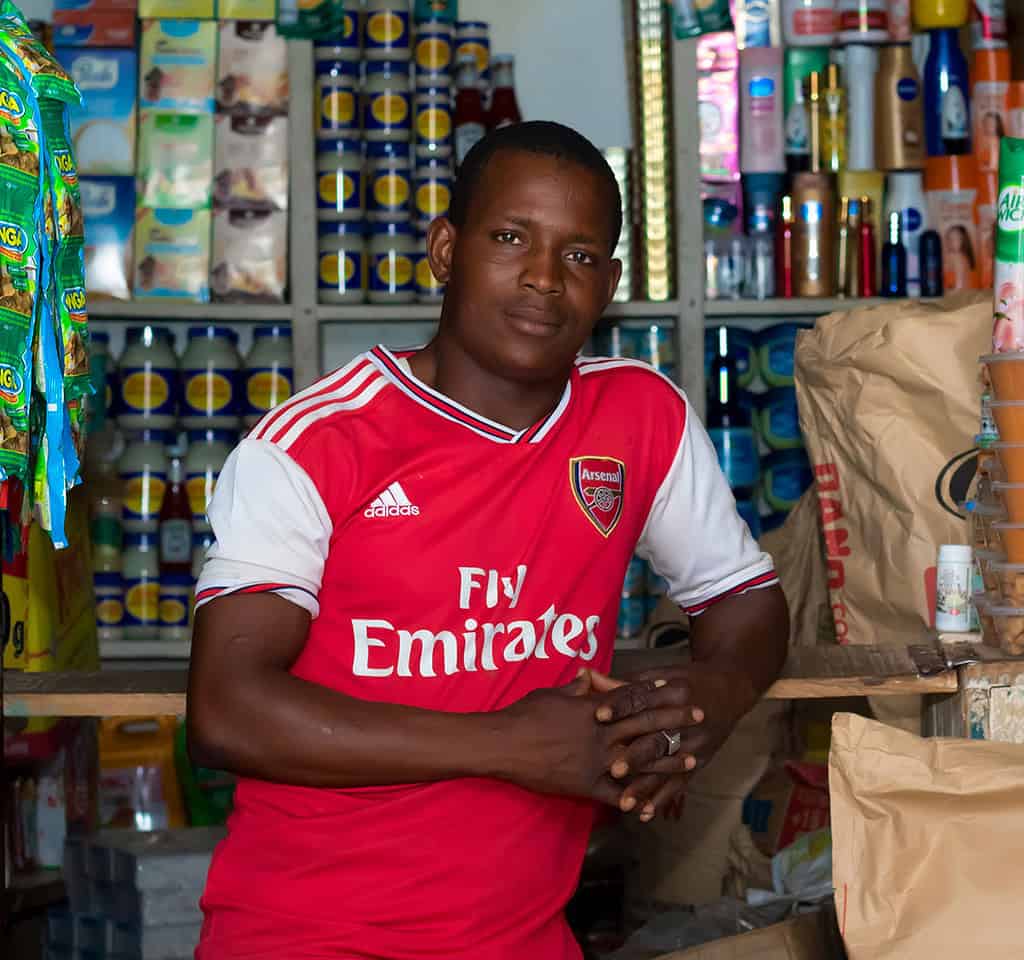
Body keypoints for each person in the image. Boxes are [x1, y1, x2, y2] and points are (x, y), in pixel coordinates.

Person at [187, 120, 789, 960]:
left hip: (524, 935)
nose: (544, 279)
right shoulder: (317, 441)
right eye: (511, 238)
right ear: (445, 249)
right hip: (308, 934)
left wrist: (712, 700)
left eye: (579, 256)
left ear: (610, 283)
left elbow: (743, 601)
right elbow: (225, 709)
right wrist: (512, 745)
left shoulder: (639, 417)